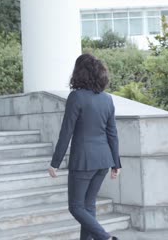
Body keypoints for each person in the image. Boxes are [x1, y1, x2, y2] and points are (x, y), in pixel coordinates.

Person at [48, 53, 122, 240]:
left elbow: (66, 132)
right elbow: (112, 133)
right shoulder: (107, 99)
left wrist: (55, 162)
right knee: (88, 207)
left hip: (83, 162)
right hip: (103, 161)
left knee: (76, 207)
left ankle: (105, 238)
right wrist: (116, 163)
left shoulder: (76, 97)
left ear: (79, 73)